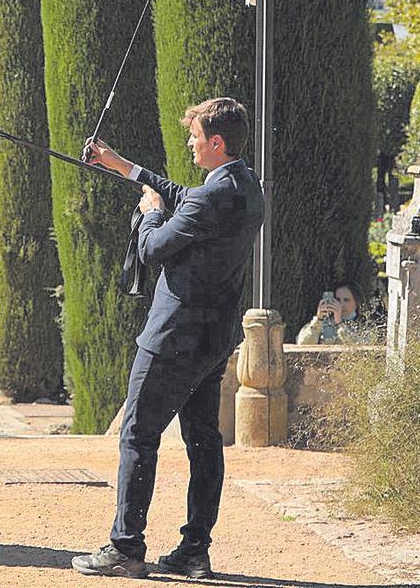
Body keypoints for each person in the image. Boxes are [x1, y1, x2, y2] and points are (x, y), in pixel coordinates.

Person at [72, 98, 265, 580]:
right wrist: (124, 167)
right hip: (214, 339)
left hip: (173, 336)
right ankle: (195, 550)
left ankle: (125, 546)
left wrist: (151, 212)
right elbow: (185, 194)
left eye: (196, 137)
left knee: (138, 434)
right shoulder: (247, 187)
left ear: (215, 142)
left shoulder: (208, 198)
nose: (191, 143)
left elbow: (153, 247)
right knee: (203, 440)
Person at [296, 283, 370, 344]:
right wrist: (318, 319)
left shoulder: (364, 324)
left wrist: (339, 323)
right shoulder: (323, 323)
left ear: (357, 302)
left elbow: (358, 347)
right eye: (338, 300)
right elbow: (302, 344)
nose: (341, 304)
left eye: (346, 300)